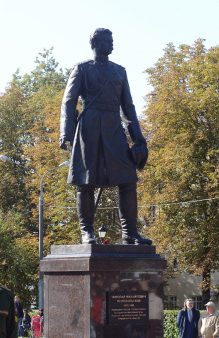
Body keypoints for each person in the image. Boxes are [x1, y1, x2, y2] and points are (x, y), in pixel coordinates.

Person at [59, 28, 151, 245]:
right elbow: (69, 101)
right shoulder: (82, 69)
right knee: (86, 181)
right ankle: (87, 232)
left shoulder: (119, 71)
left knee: (128, 178)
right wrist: (66, 132)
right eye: (107, 41)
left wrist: (139, 139)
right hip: (89, 127)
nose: (112, 44)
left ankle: (130, 232)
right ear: (96, 43)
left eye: (112, 40)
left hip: (113, 127)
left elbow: (128, 107)